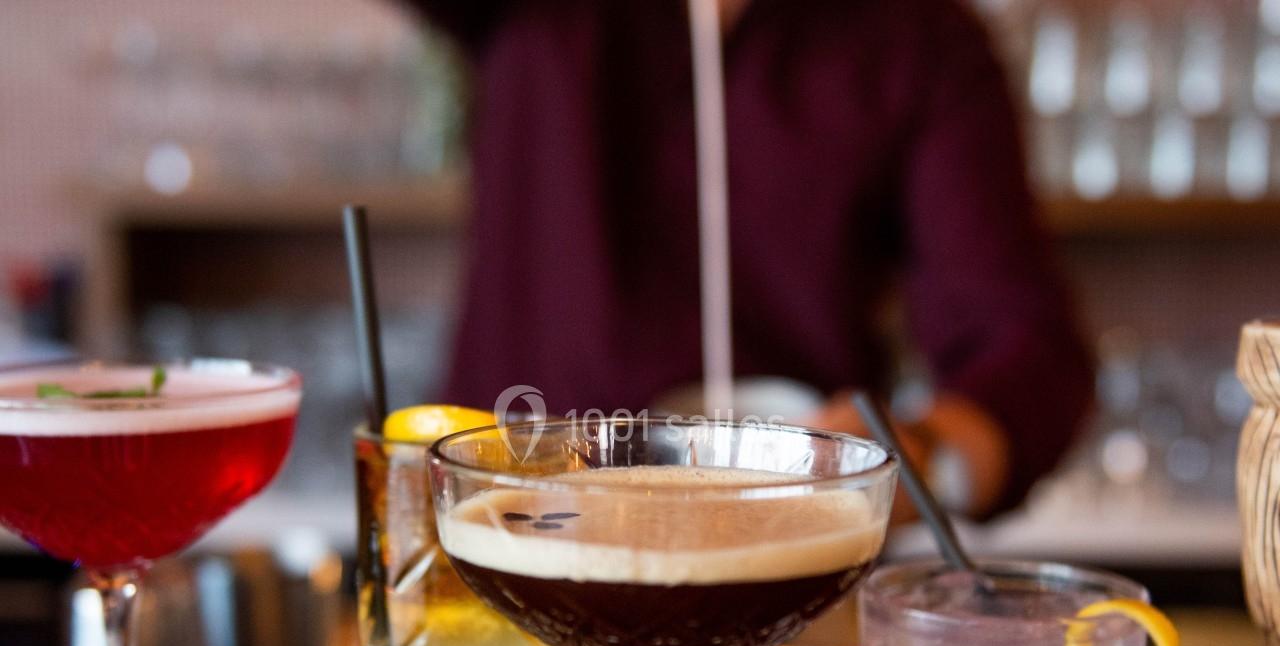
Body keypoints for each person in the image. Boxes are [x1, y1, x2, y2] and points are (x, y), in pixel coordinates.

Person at [404, 0, 1094, 519]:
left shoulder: (914, 38)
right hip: (519, 542)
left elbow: (1025, 344)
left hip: (787, 572)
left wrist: (918, 460)